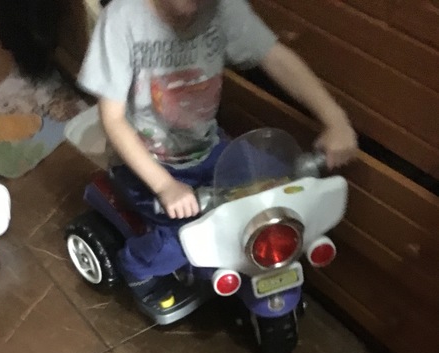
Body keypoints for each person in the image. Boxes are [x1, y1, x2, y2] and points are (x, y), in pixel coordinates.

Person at [78, 0, 358, 307]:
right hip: (145, 161)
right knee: (178, 243)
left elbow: (276, 57)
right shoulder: (122, 20)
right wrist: (164, 185)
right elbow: (113, 119)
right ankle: (136, 266)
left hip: (208, 148)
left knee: (273, 193)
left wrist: (335, 119)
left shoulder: (223, 8)